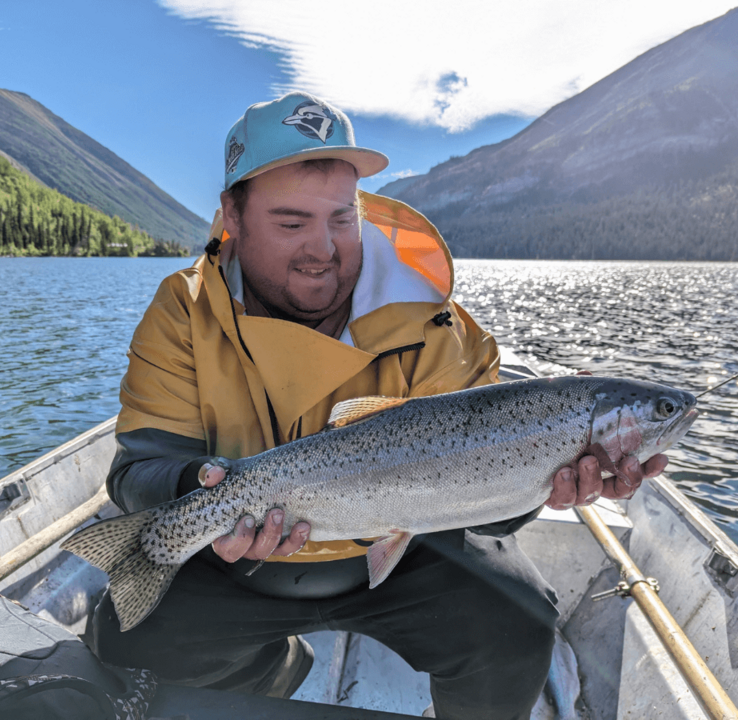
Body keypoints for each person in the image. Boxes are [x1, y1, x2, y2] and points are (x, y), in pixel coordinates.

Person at [91, 92, 667, 719]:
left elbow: (489, 515)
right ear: (233, 213)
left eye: (342, 219)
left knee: (521, 625)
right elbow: (138, 474)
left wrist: (548, 484)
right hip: (234, 561)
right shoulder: (182, 311)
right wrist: (202, 492)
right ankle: (274, 667)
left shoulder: (438, 324)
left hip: (416, 546)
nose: (323, 250)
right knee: (122, 642)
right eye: (291, 224)